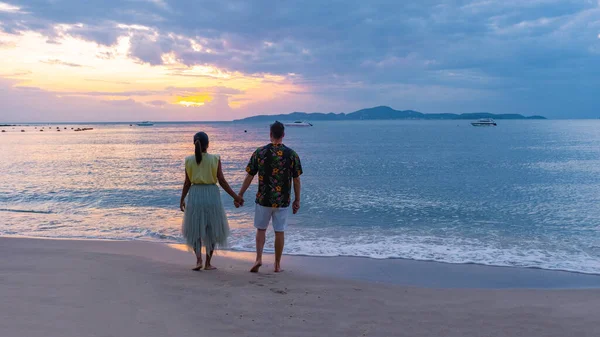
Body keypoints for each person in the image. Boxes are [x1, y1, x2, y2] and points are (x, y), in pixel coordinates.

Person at [237, 121, 303, 273]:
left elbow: (249, 176)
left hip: (263, 199)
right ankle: (277, 265)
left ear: (270, 134)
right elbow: (297, 179)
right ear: (283, 135)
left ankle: (258, 259)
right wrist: (297, 200)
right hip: (282, 200)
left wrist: (240, 194)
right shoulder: (291, 154)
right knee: (279, 231)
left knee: (261, 229)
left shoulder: (260, 152)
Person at [180, 132, 243, 271]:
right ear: (208, 144)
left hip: (195, 194)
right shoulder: (215, 158)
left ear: (194, 144)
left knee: (195, 228)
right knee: (212, 228)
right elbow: (221, 180)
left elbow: (187, 183)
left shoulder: (189, 160)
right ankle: (208, 263)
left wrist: (182, 199)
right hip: (211, 195)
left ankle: (198, 260)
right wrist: (235, 196)